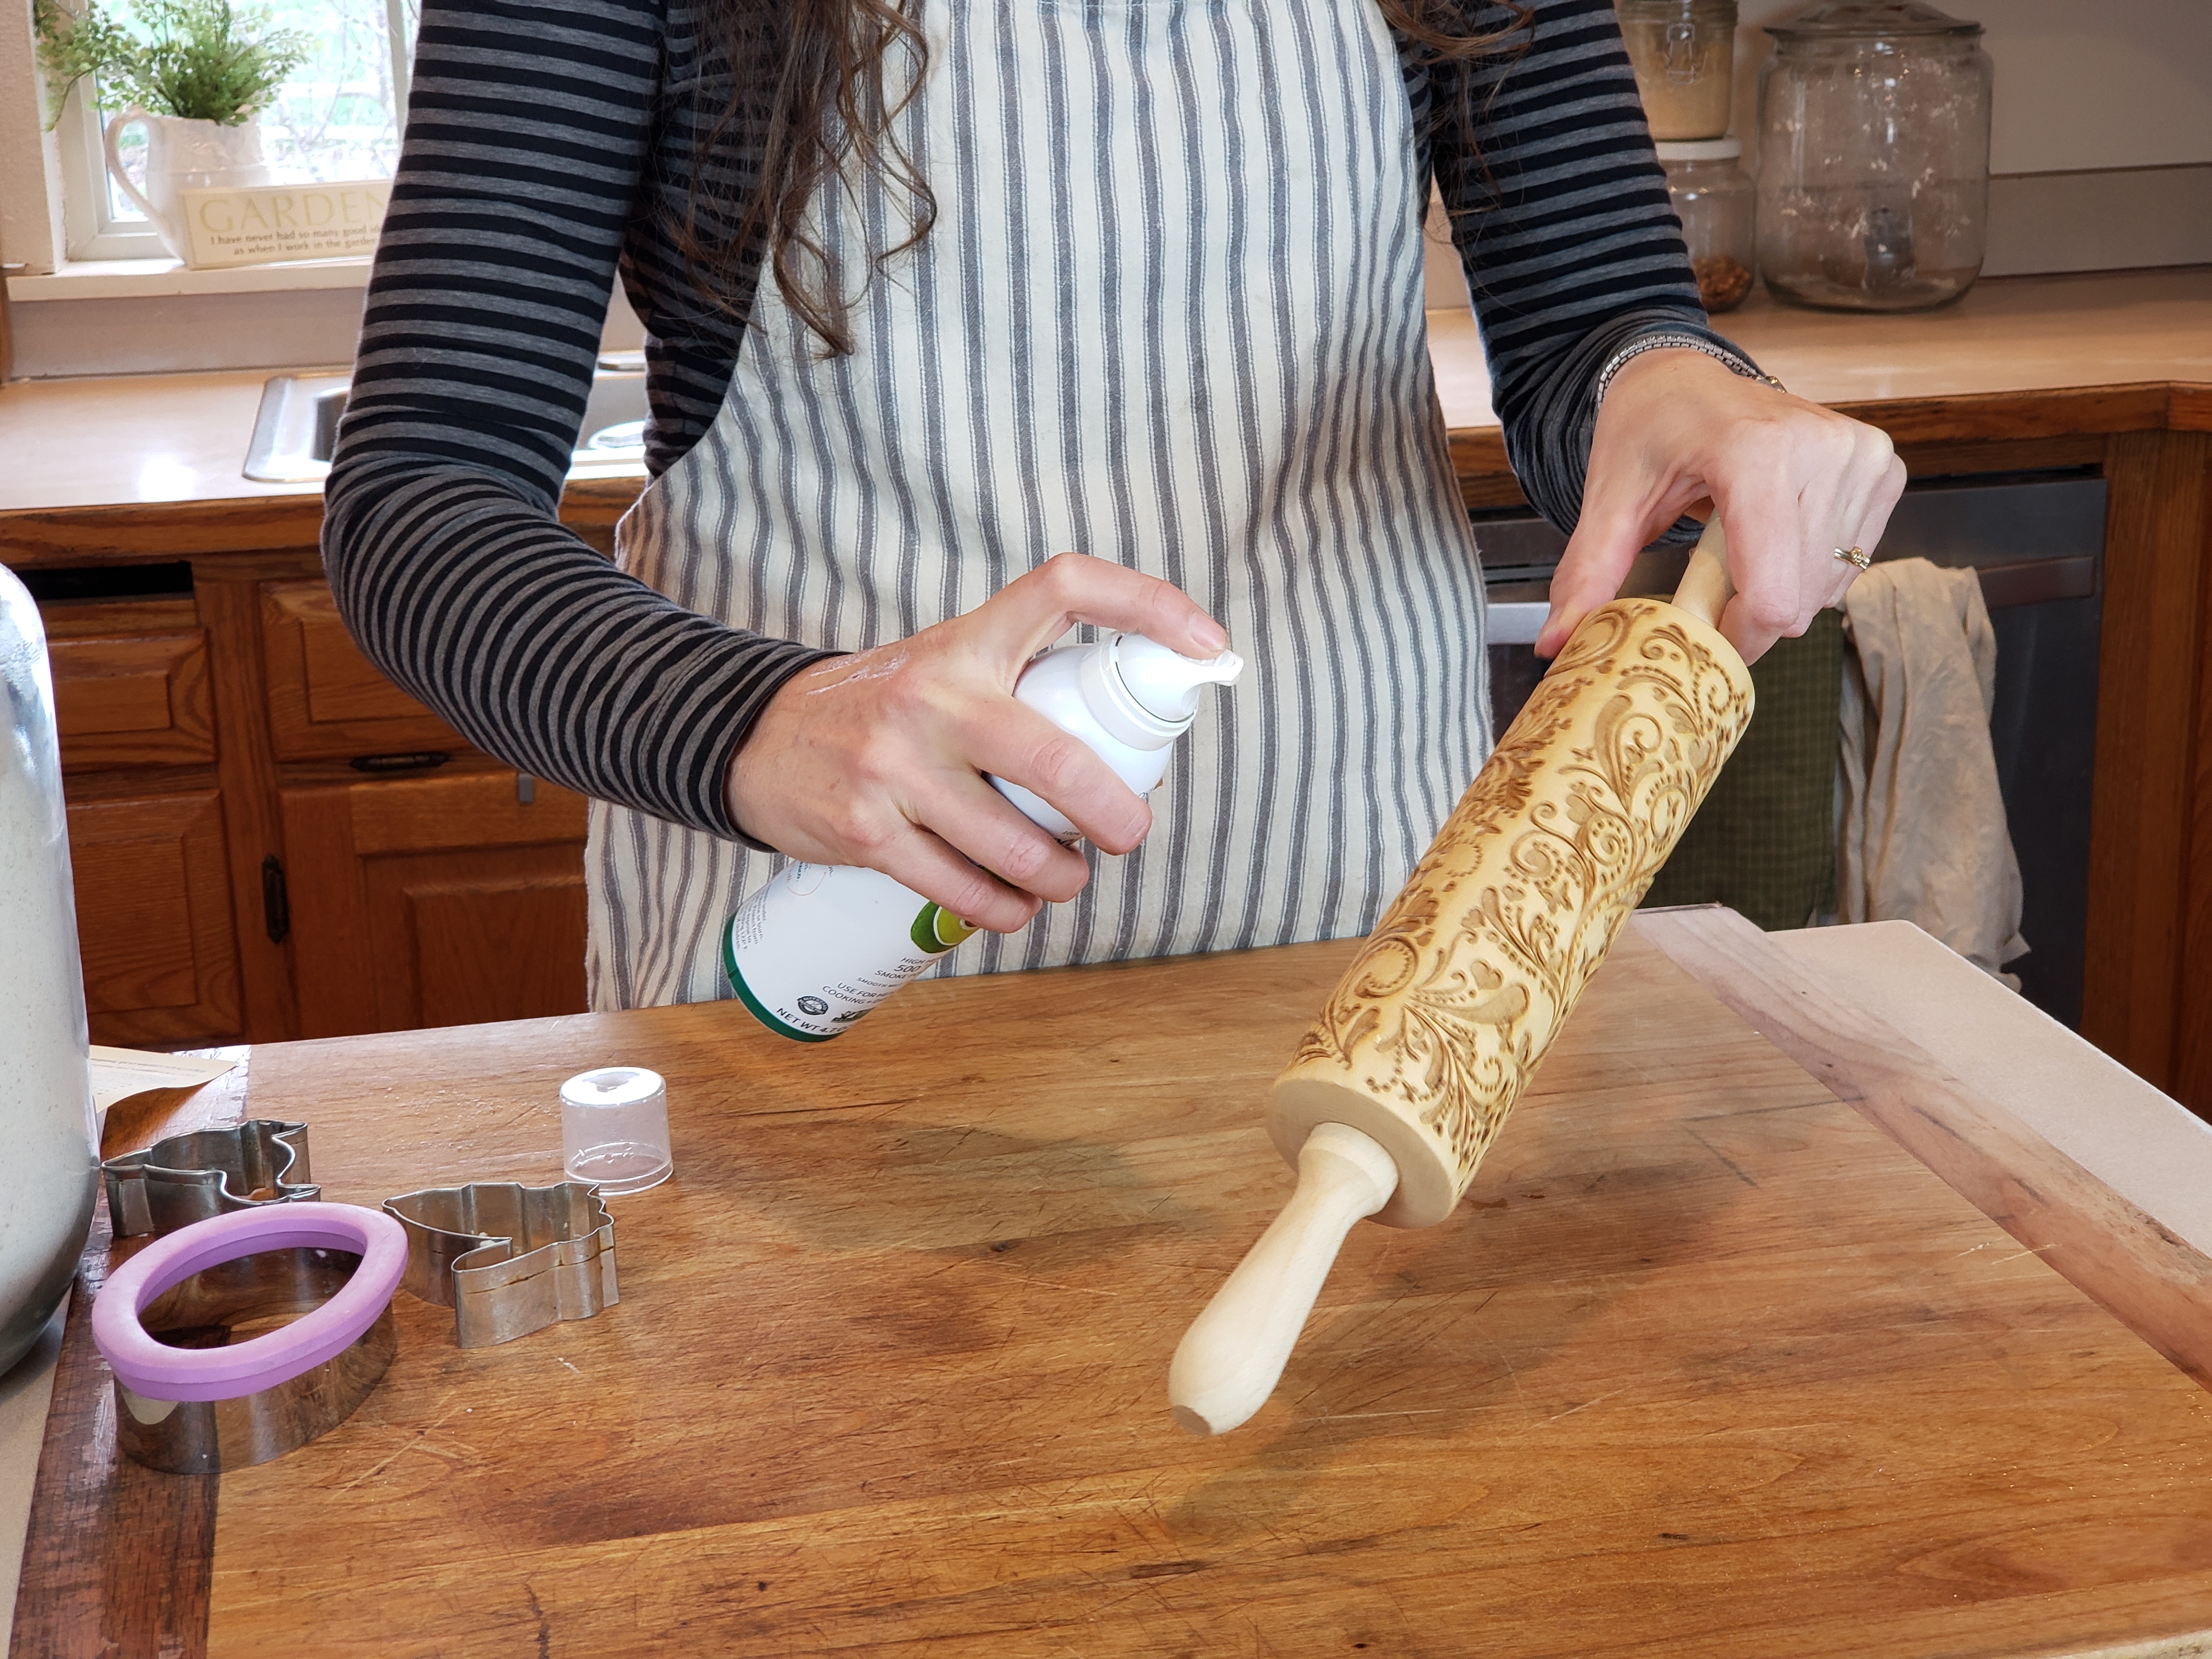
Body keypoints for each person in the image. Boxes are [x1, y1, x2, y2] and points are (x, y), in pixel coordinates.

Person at [325, 0, 1904, 1012]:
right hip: (820, 1015)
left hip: (1370, 983)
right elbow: (423, 496)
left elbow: (1591, 335)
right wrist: (764, 718)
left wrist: (1691, 394)